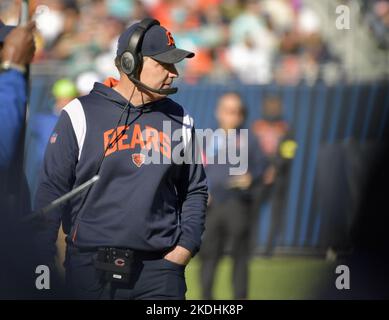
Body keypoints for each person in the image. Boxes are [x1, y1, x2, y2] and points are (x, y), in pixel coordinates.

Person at [34, 18, 208, 300]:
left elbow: (195, 190)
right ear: (130, 63)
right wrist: (40, 262)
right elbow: (52, 192)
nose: (174, 73)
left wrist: (184, 249)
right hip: (89, 270)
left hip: (159, 273)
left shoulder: (181, 119)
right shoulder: (79, 114)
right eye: (164, 64)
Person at [199, 92, 266, 300]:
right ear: (218, 112)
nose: (231, 115)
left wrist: (251, 177)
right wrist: (201, 191)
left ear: (241, 115)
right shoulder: (207, 139)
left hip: (237, 204)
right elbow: (195, 170)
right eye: (227, 110)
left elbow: (262, 168)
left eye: (235, 111)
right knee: (208, 257)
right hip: (212, 206)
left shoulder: (249, 140)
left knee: (240, 258)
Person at [250, 95, 296, 257]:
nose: (272, 109)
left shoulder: (287, 128)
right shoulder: (256, 126)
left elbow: (289, 152)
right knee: (252, 212)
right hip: (258, 177)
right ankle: (251, 248)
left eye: (276, 106)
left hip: (279, 177)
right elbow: (249, 150)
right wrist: (259, 170)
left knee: (276, 212)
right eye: (270, 105)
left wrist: (275, 169)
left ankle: (269, 250)